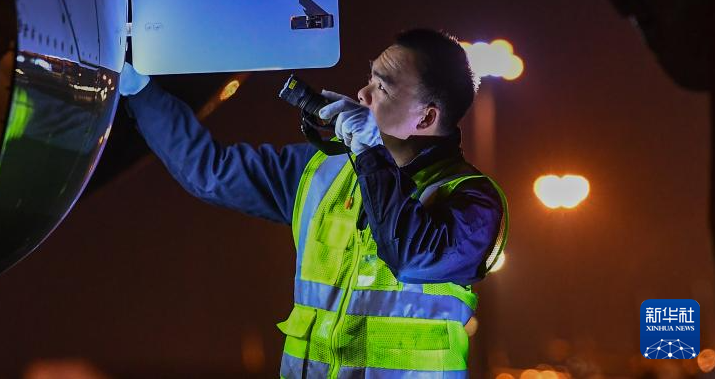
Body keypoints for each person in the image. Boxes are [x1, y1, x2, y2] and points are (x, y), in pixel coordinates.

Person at [119, 28, 508, 379]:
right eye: (369, 79)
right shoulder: (322, 171)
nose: (363, 95)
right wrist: (139, 90)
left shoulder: (474, 202)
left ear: (426, 118)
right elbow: (210, 171)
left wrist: (370, 151)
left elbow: (409, 255)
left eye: (383, 88)